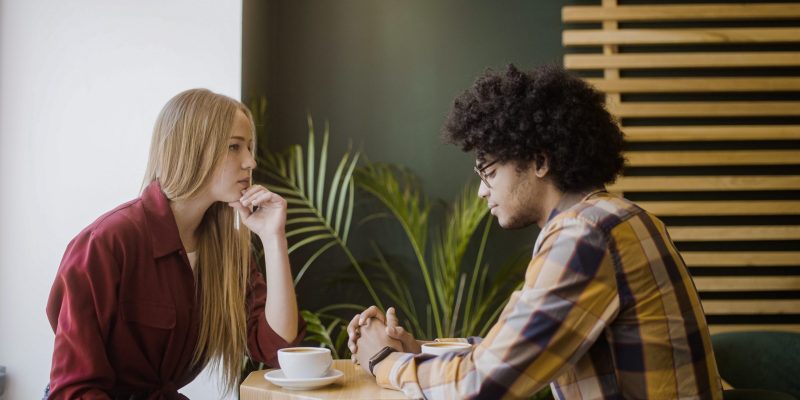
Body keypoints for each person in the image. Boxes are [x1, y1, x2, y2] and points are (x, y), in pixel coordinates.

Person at [348, 65, 723, 399]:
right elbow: (514, 350)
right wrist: (418, 351)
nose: (481, 192)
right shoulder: (621, 218)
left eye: (489, 172)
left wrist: (384, 361)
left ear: (540, 161)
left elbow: (483, 386)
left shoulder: (584, 235)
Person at [46, 89, 305, 399]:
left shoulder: (227, 252)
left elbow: (279, 348)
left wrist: (274, 238)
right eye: (234, 147)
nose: (251, 161)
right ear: (193, 150)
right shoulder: (107, 243)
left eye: (249, 147)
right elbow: (74, 389)